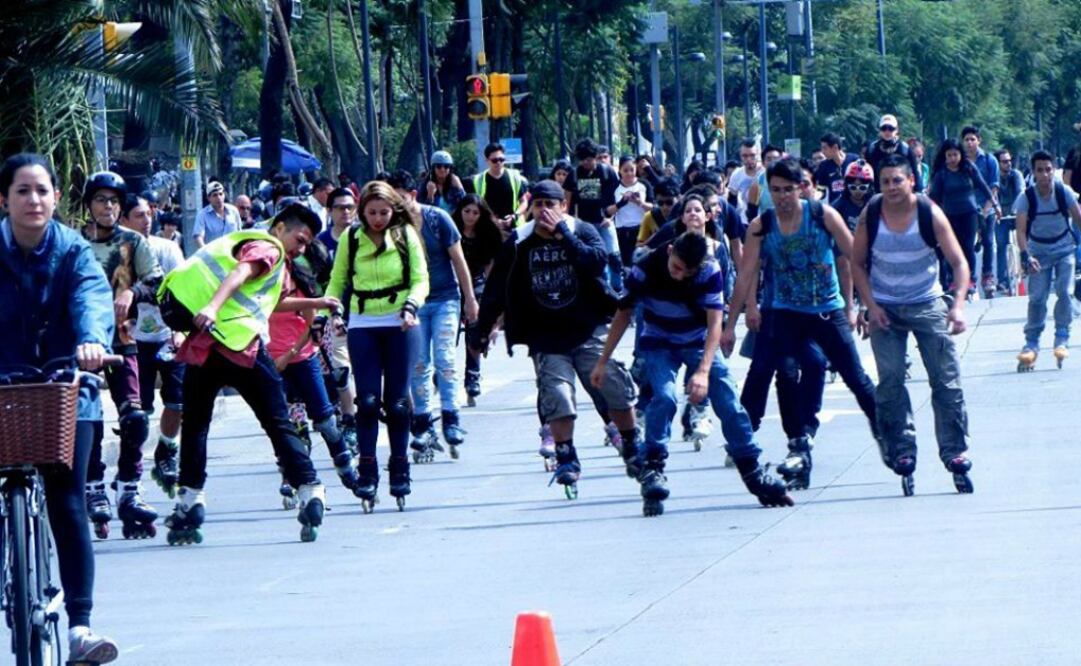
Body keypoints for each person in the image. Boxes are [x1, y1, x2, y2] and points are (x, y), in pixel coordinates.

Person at [0, 153, 120, 662]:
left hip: (66, 382)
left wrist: (93, 341)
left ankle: (80, 627)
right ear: (3, 199)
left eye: (42, 190)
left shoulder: (73, 252)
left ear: (56, 198)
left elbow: (92, 298)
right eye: (23, 191)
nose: (34, 200)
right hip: (3, 387)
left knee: (67, 500)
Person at [158, 203, 332, 542]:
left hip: (209, 344)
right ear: (280, 227)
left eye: (307, 244)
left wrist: (316, 303)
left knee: (196, 426)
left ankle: (190, 500)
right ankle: (310, 488)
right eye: (300, 238)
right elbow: (239, 275)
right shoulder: (267, 246)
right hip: (241, 347)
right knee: (277, 421)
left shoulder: (278, 263)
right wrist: (212, 306)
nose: (302, 248)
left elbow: (272, 303)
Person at [592, 231, 793, 515]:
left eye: (687, 272)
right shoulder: (644, 269)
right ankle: (653, 468)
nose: (679, 276)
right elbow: (623, 314)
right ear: (671, 250)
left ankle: (752, 467)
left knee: (728, 399)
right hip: (659, 341)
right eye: (675, 267)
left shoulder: (709, 271)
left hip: (697, 341)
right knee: (664, 397)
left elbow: (714, 326)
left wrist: (703, 371)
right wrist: (603, 360)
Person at [473, 180, 638, 496]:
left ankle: (631, 442)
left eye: (551, 205)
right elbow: (495, 290)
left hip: (588, 327)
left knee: (614, 385)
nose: (545, 212)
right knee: (557, 395)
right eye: (538, 206)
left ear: (564, 205)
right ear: (531, 209)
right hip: (545, 333)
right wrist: (480, 331)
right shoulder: (520, 240)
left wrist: (565, 234)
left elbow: (596, 262)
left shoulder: (582, 229)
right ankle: (566, 456)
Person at [723, 158, 880, 489]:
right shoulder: (761, 225)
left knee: (853, 374)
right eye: (775, 190)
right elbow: (746, 274)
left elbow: (854, 260)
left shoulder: (823, 215)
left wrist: (866, 306)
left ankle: (887, 430)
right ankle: (798, 443)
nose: (782, 197)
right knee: (778, 371)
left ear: (803, 188)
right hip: (785, 311)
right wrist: (730, 325)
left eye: (788, 190)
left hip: (826, 308)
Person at [850, 153, 974, 496]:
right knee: (889, 380)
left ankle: (954, 451)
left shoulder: (929, 213)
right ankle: (902, 450)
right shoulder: (872, 214)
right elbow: (856, 263)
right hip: (884, 307)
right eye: (885, 181)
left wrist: (958, 306)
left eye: (897, 181)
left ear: (912, 182)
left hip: (926, 301)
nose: (890, 187)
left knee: (945, 378)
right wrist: (870, 306)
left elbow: (959, 263)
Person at [325, 182, 429, 512]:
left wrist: (412, 304)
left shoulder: (404, 235)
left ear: (393, 210)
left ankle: (400, 467)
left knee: (397, 403)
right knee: (367, 401)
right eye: (371, 213)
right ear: (361, 211)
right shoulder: (351, 239)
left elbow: (420, 277)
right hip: (363, 322)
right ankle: (367, 469)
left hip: (401, 321)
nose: (378, 219)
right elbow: (337, 280)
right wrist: (332, 311)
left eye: (384, 212)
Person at [81, 171, 163, 540]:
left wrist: (133, 294)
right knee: (86, 418)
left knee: (136, 417)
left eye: (114, 201)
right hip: (78, 343)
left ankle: (129, 487)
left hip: (123, 340)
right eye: (100, 200)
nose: (108, 207)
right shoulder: (73, 242)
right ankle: (93, 485)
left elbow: (157, 280)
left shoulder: (133, 242)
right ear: (89, 205)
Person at [387, 170, 478, 461]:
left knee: (445, 358)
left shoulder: (438, 219)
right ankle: (423, 423)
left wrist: (470, 300)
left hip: (445, 300)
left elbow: (459, 261)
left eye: (398, 199)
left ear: (412, 195)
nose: (394, 206)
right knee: (418, 364)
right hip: (412, 304)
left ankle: (451, 418)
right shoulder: (391, 228)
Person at [119, 195, 187, 502]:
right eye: (138, 215)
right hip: (132, 340)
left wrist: (181, 331)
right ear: (124, 220)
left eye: (148, 214)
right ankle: (131, 477)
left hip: (166, 334)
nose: (146, 220)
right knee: (137, 411)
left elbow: (183, 290)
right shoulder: (116, 253)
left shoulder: (168, 248)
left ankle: (166, 449)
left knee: (177, 402)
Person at [1015, 150, 1081, 371]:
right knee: (1037, 298)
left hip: (1064, 250)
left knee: (1065, 291)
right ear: (1033, 173)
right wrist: (1027, 255)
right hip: (1038, 253)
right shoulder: (1027, 197)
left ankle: (1062, 337)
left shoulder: (1065, 193)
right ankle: (1031, 343)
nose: (1044, 175)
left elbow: (1079, 219)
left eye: (1048, 169)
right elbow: (1021, 232)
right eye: (1039, 170)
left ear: (1054, 170)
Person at [312, 188, 359, 452]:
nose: (345, 212)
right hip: (332, 316)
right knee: (340, 371)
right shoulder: (318, 243)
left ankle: (414, 420)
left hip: (367, 312)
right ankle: (349, 422)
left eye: (350, 207)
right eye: (339, 207)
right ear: (329, 211)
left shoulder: (364, 238)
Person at [928, 138, 998, 298]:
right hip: (950, 216)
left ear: (960, 154)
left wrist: (994, 204)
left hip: (970, 214)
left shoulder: (968, 168)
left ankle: (970, 280)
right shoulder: (941, 175)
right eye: (949, 155)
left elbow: (983, 185)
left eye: (955, 154)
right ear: (945, 156)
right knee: (952, 249)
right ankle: (954, 280)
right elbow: (934, 199)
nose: (953, 158)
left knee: (967, 247)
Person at [453, 194, 504, 405]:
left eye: (475, 212)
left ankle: (472, 376)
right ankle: (442, 371)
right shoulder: (451, 229)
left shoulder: (487, 234)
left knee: (474, 329)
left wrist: (493, 294)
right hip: (451, 284)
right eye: (467, 212)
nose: (471, 216)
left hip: (477, 282)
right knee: (448, 333)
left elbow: (491, 266)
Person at [568, 138, 623, 291]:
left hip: (605, 221)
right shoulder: (574, 174)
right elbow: (568, 202)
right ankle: (603, 289)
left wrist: (610, 217)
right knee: (596, 259)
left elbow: (616, 198)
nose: (586, 163)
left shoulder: (607, 172)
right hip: (585, 225)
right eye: (583, 160)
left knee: (614, 257)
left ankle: (618, 289)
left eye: (590, 159)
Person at [961, 127, 1001, 297]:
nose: (970, 143)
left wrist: (986, 210)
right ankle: (969, 278)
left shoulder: (990, 160)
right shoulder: (960, 162)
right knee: (967, 245)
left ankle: (988, 276)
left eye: (972, 139)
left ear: (979, 140)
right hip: (967, 210)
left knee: (988, 241)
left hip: (987, 207)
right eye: (967, 140)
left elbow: (994, 187)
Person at [467, 142, 529, 235]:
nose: (499, 162)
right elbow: (474, 206)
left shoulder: (515, 177)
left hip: (514, 229)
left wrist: (515, 216)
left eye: (501, 159)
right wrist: (493, 220)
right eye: (494, 160)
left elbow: (523, 201)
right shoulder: (477, 181)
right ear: (487, 160)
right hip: (488, 229)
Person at [607, 155, 651, 267]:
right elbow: (608, 210)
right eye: (625, 170)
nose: (629, 173)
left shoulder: (644, 185)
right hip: (622, 231)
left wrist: (640, 202)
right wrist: (621, 203)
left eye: (632, 170)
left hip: (641, 229)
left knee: (643, 262)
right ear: (620, 171)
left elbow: (654, 207)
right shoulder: (614, 187)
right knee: (626, 264)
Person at [994, 149, 1026, 294]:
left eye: (1009, 160)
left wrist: (1016, 210)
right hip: (1001, 216)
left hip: (1016, 212)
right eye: (1004, 161)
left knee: (1024, 239)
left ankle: (1026, 263)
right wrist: (996, 209)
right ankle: (1002, 281)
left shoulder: (1016, 175)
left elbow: (1021, 192)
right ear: (998, 163)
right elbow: (992, 194)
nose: (1008, 164)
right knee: (1001, 245)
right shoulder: (994, 177)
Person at [865, 115, 924, 193]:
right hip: (878, 194)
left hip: (902, 193)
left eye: (891, 128)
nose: (887, 131)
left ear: (897, 130)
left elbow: (915, 174)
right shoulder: (872, 149)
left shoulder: (905, 149)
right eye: (884, 128)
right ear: (879, 130)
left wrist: (917, 192)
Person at [192, 180, 241, 247]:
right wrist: (206, 252)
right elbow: (198, 237)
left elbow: (239, 233)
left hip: (232, 253)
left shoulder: (233, 211)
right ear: (209, 198)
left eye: (220, 194)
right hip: (213, 254)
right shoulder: (202, 215)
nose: (219, 198)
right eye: (215, 195)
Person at [816, 132, 858, 205]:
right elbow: (821, 190)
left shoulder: (854, 160)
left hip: (854, 206)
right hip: (835, 208)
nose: (822, 152)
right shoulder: (823, 166)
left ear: (835, 147)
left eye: (825, 148)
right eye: (821, 148)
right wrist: (814, 198)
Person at [635, 178, 680, 247]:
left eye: (669, 202)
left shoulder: (685, 216)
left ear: (678, 198)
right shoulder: (650, 217)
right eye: (660, 203)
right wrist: (653, 239)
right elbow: (638, 246)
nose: (664, 207)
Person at [834, 160, 876, 231]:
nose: (857, 191)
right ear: (846, 186)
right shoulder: (838, 207)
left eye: (863, 187)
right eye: (853, 187)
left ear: (870, 187)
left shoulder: (876, 204)